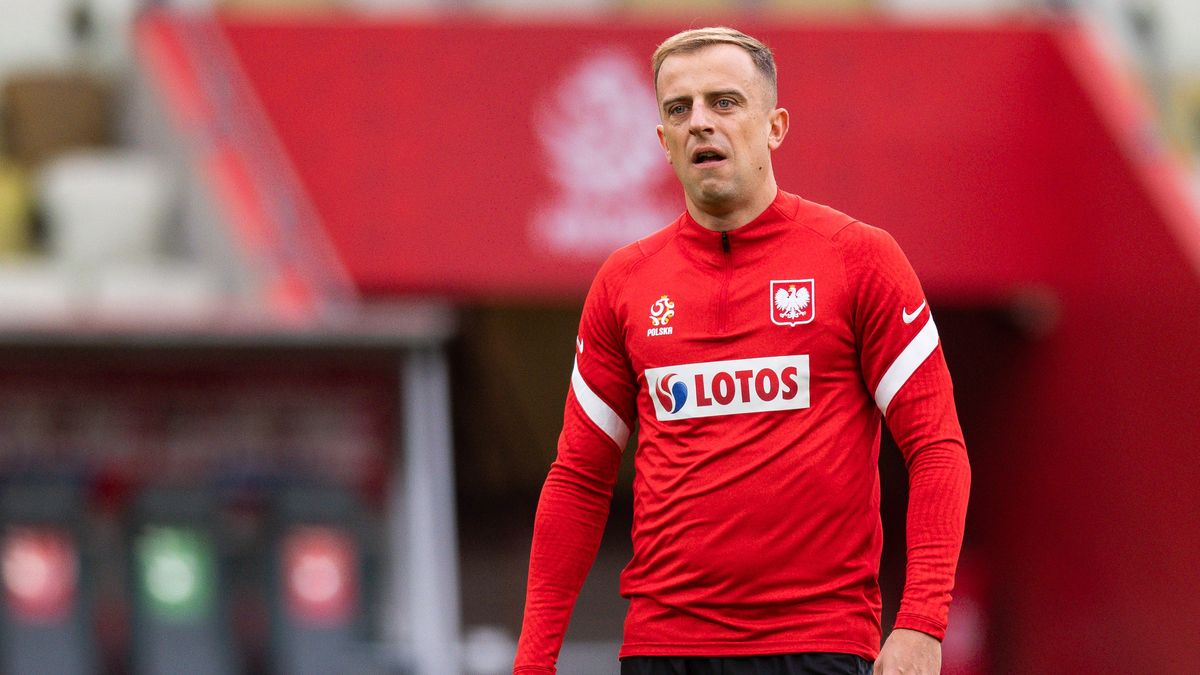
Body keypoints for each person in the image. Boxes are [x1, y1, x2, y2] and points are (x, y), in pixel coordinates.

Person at [514, 26, 970, 675]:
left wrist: (922, 621)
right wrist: (534, 658)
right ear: (661, 141)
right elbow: (578, 480)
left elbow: (936, 447)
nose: (701, 122)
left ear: (776, 125)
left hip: (819, 644)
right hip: (664, 649)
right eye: (679, 109)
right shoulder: (624, 283)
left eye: (724, 102)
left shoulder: (859, 259)